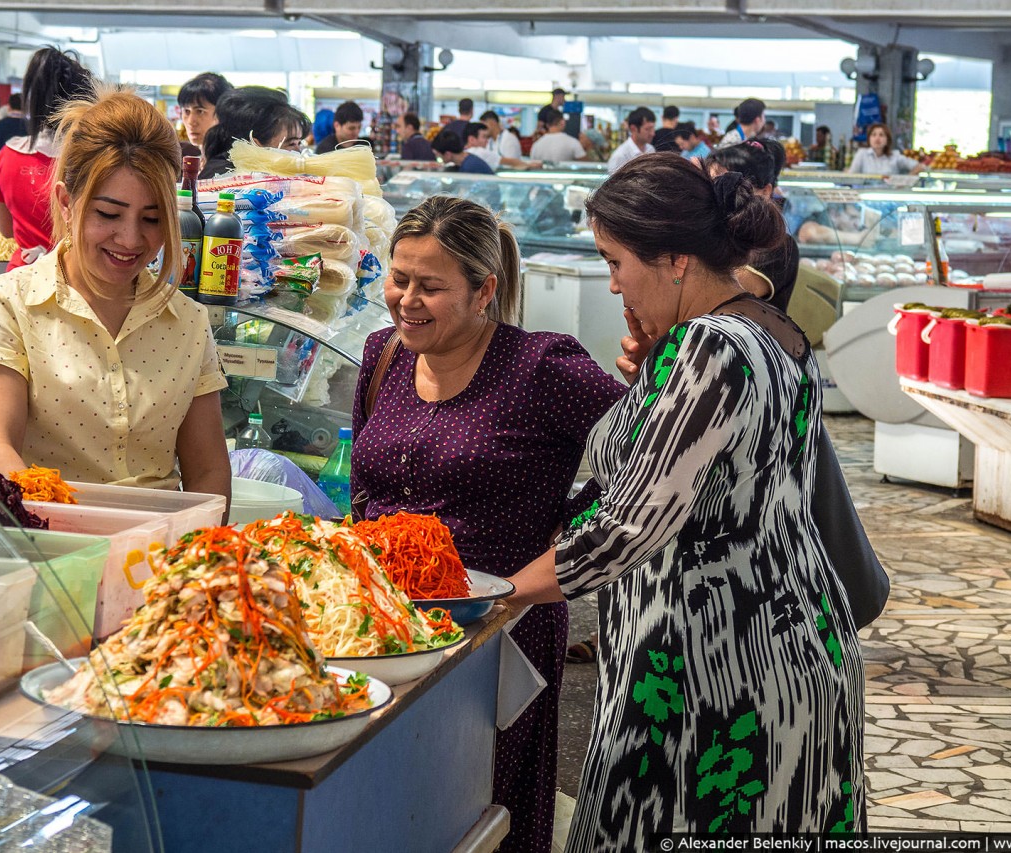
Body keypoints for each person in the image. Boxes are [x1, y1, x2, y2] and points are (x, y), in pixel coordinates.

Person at [506, 154, 866, 845]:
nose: (612, 285)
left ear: (675, 258)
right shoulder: (769, 327)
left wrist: (501, 594)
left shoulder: (710, 347)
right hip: (789, 647)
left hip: (720, 677)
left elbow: (627, 526)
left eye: (616, 263)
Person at [351, 195, 626, 853]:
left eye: (430, 286)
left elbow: (645, 451)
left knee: (483, 813)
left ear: (484, 291)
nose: (406, 299)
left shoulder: (540, 366)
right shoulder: (382, 354)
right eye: (399, 277)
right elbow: (364, 481)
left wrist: (569, 531)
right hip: (387, 631)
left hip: (500, 639)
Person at [0, 86, 230, 500]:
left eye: (153, 218)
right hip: (49, 541)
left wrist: (198, 555)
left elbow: (208, 471)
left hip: (163, 552)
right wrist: (72, 527)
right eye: (108, 214)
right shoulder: (9, 304)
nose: (130, 239)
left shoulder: (188, 322)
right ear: (67, 203)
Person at [0, 47, 93, 270]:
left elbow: (6, 230)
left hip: (22, 275)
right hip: (77, 277)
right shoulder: (90, 158)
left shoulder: (8, 155)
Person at [707, 139, 799, 312]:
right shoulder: (713, 230)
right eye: (712, 184)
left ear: (765, 192)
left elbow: (721, 294)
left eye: (732, 187)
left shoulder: (778, 245)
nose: (718, 194)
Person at [200, 87, 311, 178]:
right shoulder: (226, 178)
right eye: (291, 144)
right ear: (254, 144)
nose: (298, 152)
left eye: (299, 143)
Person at [177, 72, 232, 157]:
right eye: (186, 111)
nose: (191, 122)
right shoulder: (200, 161)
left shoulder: (231, 163)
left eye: (200, 111)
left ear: (223, 112)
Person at [849, 122, 922, 175]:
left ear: (887, 140)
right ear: (869, 139)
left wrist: (906, 180)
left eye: (881, 135)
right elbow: (851, 176)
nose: (877, 138)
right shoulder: (862, 154)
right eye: (873, 135)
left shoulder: (895, 156)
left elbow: (919, 166)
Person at [606, 106, 655, 173]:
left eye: (653, 128)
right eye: (647, 129)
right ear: (633, 129)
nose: (652, 133)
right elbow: (613, 182)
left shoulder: (651, 149)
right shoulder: (620, 156)